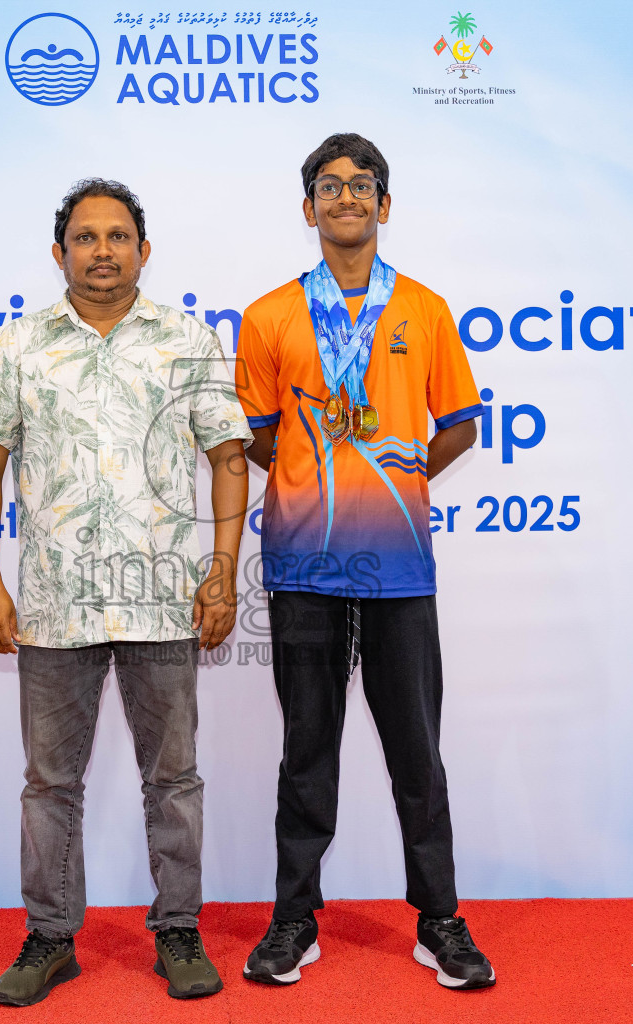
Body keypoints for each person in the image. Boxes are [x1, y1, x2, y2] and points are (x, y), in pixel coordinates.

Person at [0, 178, 252, 1007]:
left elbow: (229, 458)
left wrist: (222, 568)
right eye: (84, 238)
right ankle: (51, 938)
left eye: (118, 237)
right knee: (51, 781)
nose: (102, 252)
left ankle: (179, 931)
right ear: (59, 254)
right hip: (52, 601)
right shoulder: (17, 346)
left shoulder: (187, 340)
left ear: (143, 251)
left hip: (162, 595)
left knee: (175, 776)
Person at [233, 134, 495, 990]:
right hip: (303, 564)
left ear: (384, 205)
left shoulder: (424, 308)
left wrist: (398, 469)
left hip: (399, 565)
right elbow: (259, 434)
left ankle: (441, 922)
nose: (345, 197)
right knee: (307, 747)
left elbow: (458, 422)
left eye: (362, 185)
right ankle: (294, 919)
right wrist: (316, 478)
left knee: (415, 749)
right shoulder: (271, 315)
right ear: (308, 208)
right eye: (328, 186)